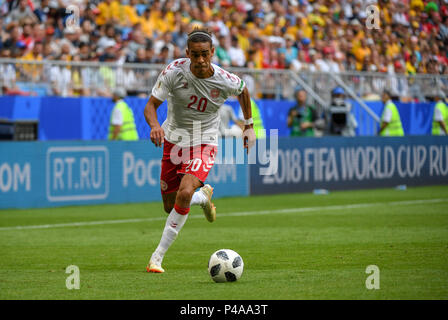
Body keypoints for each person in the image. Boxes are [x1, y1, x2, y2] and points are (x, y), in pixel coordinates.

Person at [143, 28, 256, 273]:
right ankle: (202, 197)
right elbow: (151, 106)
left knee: (184, 193)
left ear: (213, 52)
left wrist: (249, 126)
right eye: (196, 55)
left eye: (205, 54)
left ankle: (157, 258)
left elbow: (243, 91)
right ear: (188, 54)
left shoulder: (225, 79)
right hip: (174, 140)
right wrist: (154, 126)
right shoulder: (174, 72)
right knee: (170, 205)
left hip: (204, 141)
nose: (201, 60)